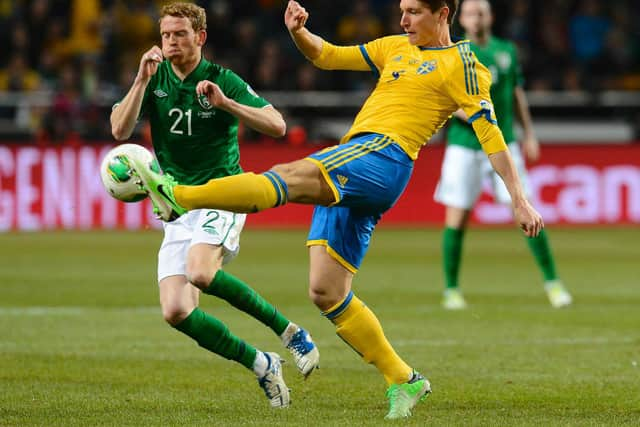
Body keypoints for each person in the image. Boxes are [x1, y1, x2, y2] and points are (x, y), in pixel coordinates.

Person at [128, 0, 544, 419]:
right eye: (402, 10)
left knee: (288, 175)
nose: (403, 20)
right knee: (326, 291)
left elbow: (491, 135)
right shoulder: (394, 46)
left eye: (414, 11)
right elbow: (326, 55)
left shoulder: (464, 62)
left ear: (443, 14)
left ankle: (178, 194)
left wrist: (519, 198)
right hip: (358, 159)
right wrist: (298, 32)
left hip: (384, 156)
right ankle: (404, 378)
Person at [109, 2, 319, 409]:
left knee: (201, 272)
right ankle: (261, 363)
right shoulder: (154, 80)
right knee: (175, 311)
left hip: (223, 194)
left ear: (200, 37)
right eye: (166, 35)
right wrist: (139, 80)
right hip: (177, 203)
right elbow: (119, 128)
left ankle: (290, 331)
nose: (171, 42)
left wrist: (226, 105)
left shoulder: (221, 80)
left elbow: (277, 125)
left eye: (180, 35)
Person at [434, 0, 572, 310]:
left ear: (491, 17)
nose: (476, 17)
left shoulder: (506, 51)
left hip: (504, 143)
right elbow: (445, 97)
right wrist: (471, 116)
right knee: (458, 216)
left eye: (481, 11)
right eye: (470, 13)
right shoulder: (456, 52)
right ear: (462, 20)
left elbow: (517, 93)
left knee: (527, 211)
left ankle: (553, 283)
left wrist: (530, 134)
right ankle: (451, 289)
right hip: (464, 146)